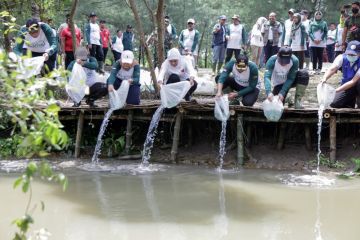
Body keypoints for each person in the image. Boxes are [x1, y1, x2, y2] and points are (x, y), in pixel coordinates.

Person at [321, 40, 360, 108]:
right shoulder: (341, 57)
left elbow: (353, 81)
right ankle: (350, 101)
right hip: (346, 85)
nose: (350, 56)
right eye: (349, 53)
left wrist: (336, 91)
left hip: (356, 84)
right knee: (334, 103)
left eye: (353, 54)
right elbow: (332, 69)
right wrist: (324, 78)